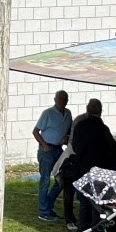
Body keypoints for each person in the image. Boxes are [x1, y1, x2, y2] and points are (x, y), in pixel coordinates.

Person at [69, 98, 116, 231]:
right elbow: (112, 149)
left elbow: (74, 145)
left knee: (84, 199)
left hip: (83, 167)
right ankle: (96, 228)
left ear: (87, 109)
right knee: (97, 201)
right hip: (98, 169)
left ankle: (83, 226)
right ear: (101, 111)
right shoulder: (102, 128)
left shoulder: (80, 125)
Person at [32, 89, 72, 221]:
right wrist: (44, 145)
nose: (62, 102)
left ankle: (48, 206)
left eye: (64, 99)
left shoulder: (68, 114)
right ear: (55, 100)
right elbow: (36, 131)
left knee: (61, 180)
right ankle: (43, 211)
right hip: (47, 150)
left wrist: (67, 137)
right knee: (45, 180)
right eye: (60, 99)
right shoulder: (47, 113)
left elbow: (69, 130)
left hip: (59, 149)